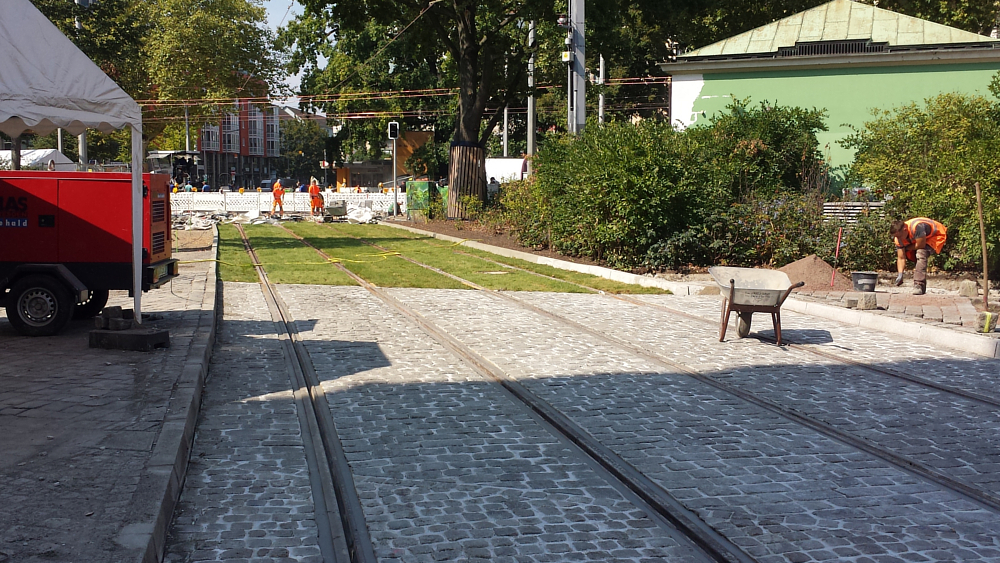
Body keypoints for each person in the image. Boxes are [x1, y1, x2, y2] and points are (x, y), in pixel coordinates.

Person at [890, 217, 947, 295]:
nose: (897, 238)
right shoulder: (898, 238)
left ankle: (918, 284)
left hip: (936, 235)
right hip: (921, 239)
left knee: (921, 253)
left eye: (899, 236)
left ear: (904, 230)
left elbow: (921, 245)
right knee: (913, 256)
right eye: (896, 237)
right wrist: (900, 274)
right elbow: (901, 258)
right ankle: (922, 286)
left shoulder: (917, 227)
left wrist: (906, 248)